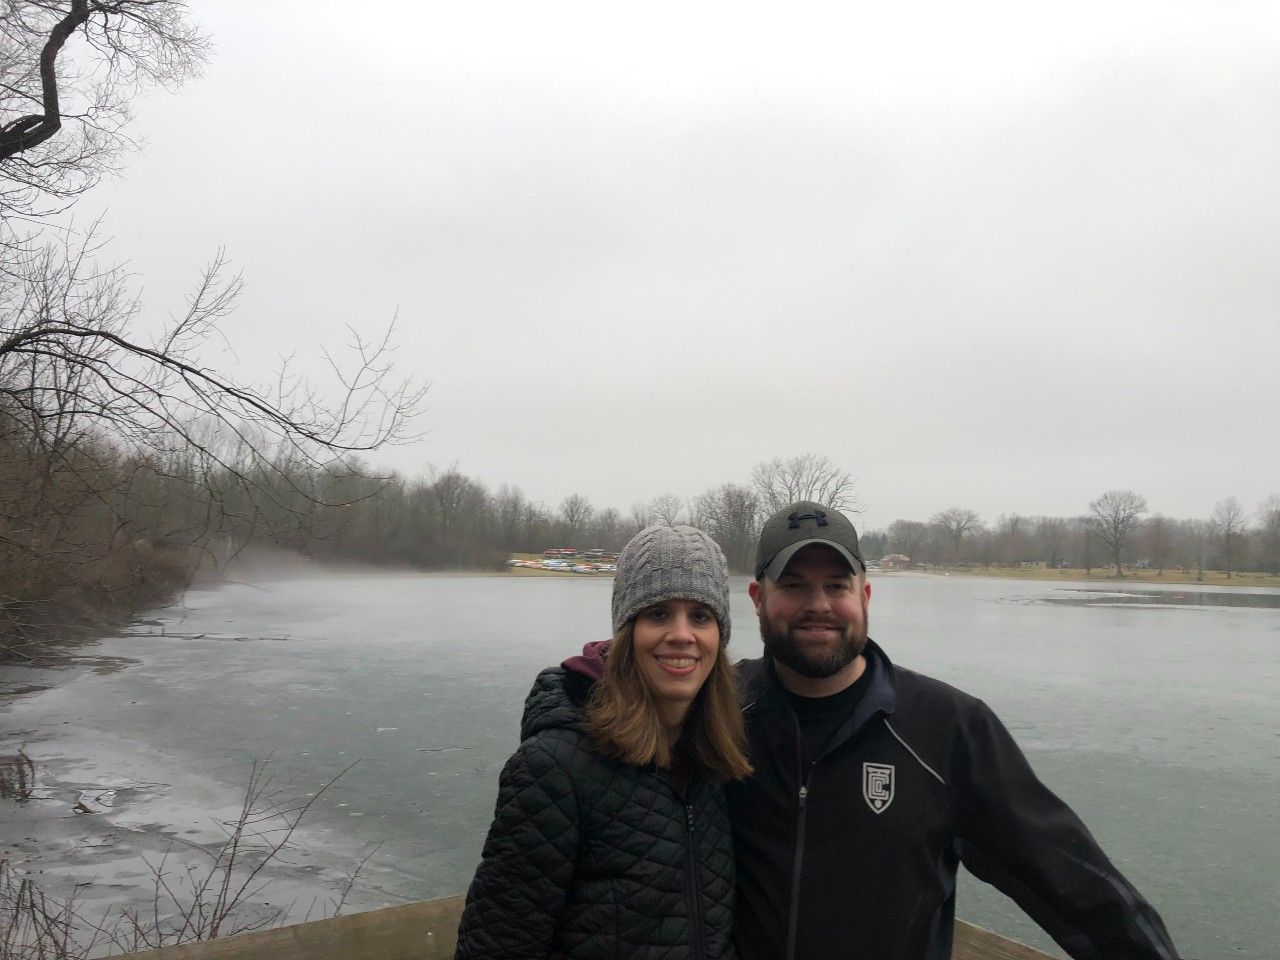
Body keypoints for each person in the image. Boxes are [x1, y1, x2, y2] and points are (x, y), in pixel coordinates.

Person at [727, 500, 1179, 960]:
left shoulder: (948, 729)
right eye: (794, 586)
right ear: (758, 599)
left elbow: (1075, 885)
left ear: (863, 597)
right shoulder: (718, 711)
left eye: (836, 586)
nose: (818, 605)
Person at [456, 524, 752, 960]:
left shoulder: (716, 760)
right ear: (625, 630)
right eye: (657, 614)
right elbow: (498, 945)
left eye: (701, 616)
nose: (682, 634)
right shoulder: (554, 769)